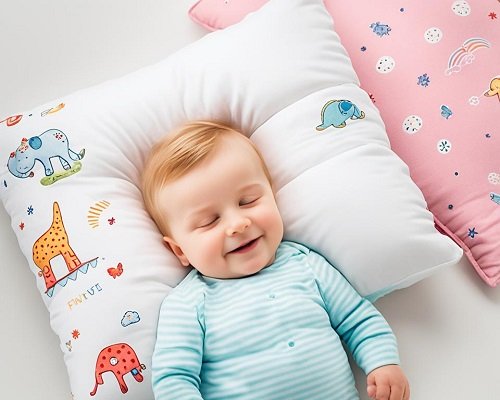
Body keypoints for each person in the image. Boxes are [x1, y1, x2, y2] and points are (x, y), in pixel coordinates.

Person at [141, 121, 410, 400]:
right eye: (209, 221)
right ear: (180, 251)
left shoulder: (305, 263)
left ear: (272, 194)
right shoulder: (188, 303)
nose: (238, 223)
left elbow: (358, 320)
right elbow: (174, 379)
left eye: (248, 201)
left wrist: (383, 362)